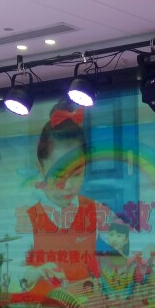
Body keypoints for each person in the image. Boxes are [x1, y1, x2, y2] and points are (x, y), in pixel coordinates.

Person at [19, 101, 108, 295]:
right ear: (40, 168)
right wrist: (32, 273)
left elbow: (133, 244)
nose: (67, 186)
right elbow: (7, 272)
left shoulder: (96, 211)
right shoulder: (27, 218)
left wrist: (146, 252)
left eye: (76, 174)